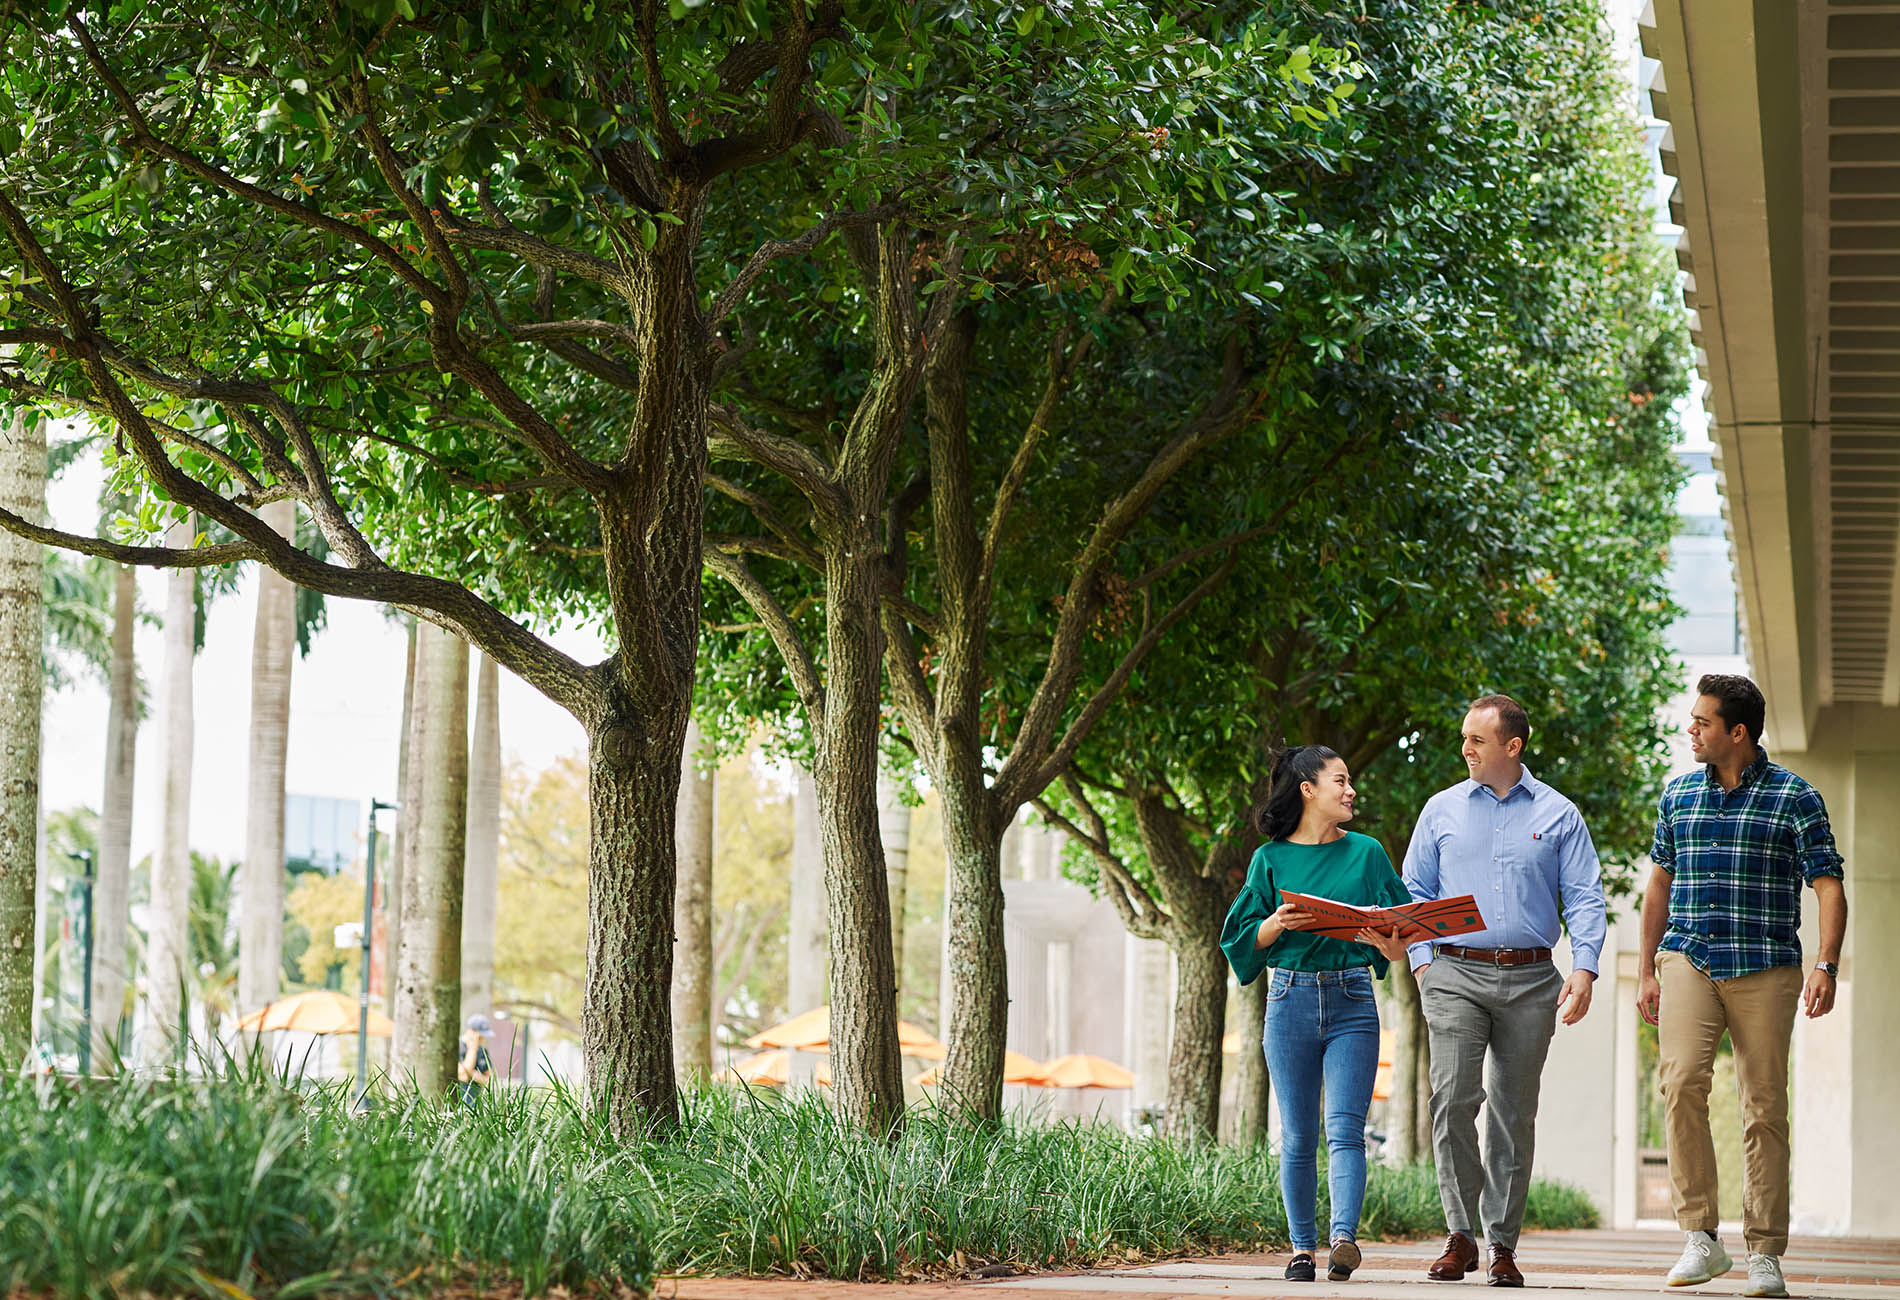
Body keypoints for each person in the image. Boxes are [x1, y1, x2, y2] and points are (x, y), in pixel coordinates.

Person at [1638, 674, 1845, 1300]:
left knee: (1764, 1107)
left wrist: (1826, 963)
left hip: (1765, 964)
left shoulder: (1795, 797)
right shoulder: (1677, 796)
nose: (1691, 731)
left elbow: (1828, 885)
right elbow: (1658, 886)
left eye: (1703, 722)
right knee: (1679, 1084)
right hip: (1689, 958)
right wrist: (1646, 968)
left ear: (1738, 731)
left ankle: (1764, 1251)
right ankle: (1701, 1236)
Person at [1402, 694, 1605, 1288]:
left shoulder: (1560, 814)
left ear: (1512, 747)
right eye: (1465, 738)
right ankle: (1460, 1235)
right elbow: (1413, 886)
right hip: (1453, 974)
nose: (1464, 749)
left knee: (1513, 1114)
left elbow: (1587, 896)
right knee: (1454, 1098)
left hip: (1531, 978)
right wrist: (1421, 960)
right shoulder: (1439, 810)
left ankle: (1502, 1246)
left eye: (1476, 740)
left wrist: (1585, 967)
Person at [1221, 745, 1412, 1285]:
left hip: (1353, 999)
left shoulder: (1369, 853)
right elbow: (1238, 938)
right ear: (1308, 789)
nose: (1350, 791)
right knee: (1300, 1136)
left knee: (1347, 1129)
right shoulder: (1270, 859)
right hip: (1289, 1001)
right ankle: (1301, 1249)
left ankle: (1343, 1240)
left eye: (1350, 781)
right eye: (1340, 781)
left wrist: (1389, 941)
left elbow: (1400, 941)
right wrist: (1277, 923)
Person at [457, 1013, 494, 1104]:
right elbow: (462, 1075)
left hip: (476, 1100)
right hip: (460, 1099)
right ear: (471, 1031)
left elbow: (489, 1081)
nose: (483, 1038)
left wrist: (470, 1073)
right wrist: (472, 1049)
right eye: (481, 1035)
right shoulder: (457, 1047)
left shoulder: (482, 1051)